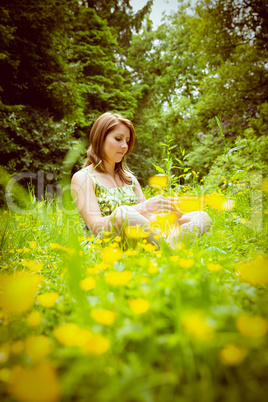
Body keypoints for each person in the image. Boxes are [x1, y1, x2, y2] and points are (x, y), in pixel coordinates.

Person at [71, 112, 212, 247]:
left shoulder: (129, 178)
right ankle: (169, 250)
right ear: (100, 138)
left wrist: (169, 212)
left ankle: (167, 249)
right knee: (122, 213)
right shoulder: (83, 178)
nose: (125, 146)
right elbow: (96, 227)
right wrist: (144, 207)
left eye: (127, 141)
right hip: (108, 244)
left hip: (142, 239)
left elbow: (148, 221)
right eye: (118, 139)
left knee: (201, 216)